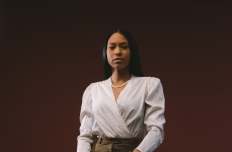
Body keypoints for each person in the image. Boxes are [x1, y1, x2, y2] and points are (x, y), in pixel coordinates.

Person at [77, 28, 165, 152]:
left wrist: (138, 151)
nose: (117, 52)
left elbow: (156, 130)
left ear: (132, 51)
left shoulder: (149, 85)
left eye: (123, 47)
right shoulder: (93, 90)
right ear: (105, 52)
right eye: (112, 47)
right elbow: (85, 135)